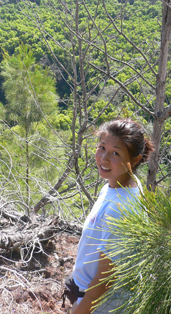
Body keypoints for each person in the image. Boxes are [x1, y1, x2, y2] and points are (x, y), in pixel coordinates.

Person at [64, 118, 154, 314]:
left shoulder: (121, 209)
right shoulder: (119, 183)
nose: (104, 158)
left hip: (100, 305)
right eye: (101, 147)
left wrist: (80, 310)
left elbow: (106, 278)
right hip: (89, 296)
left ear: (135, 159)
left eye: (115, 153)